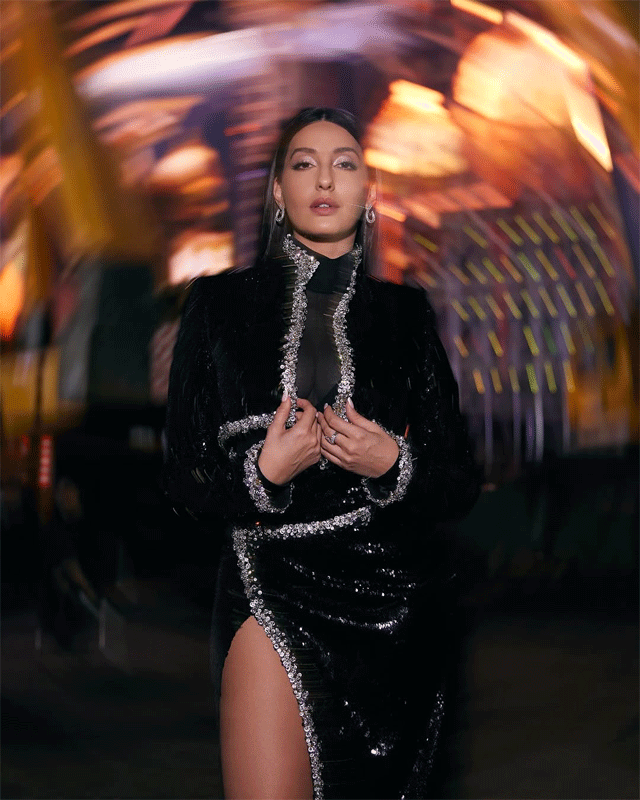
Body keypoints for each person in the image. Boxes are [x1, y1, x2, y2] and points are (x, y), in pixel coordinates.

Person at [163, 107, 480, 800]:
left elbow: (458, 480)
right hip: (267, 577)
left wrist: (393, 464)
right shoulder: (216, 305)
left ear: (370, 191)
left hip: (394, 603)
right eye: (304, 163)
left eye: (345, 163)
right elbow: (181, 475)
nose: (325, 179)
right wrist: (262, 476)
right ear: (278, 190)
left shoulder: (407, 316)